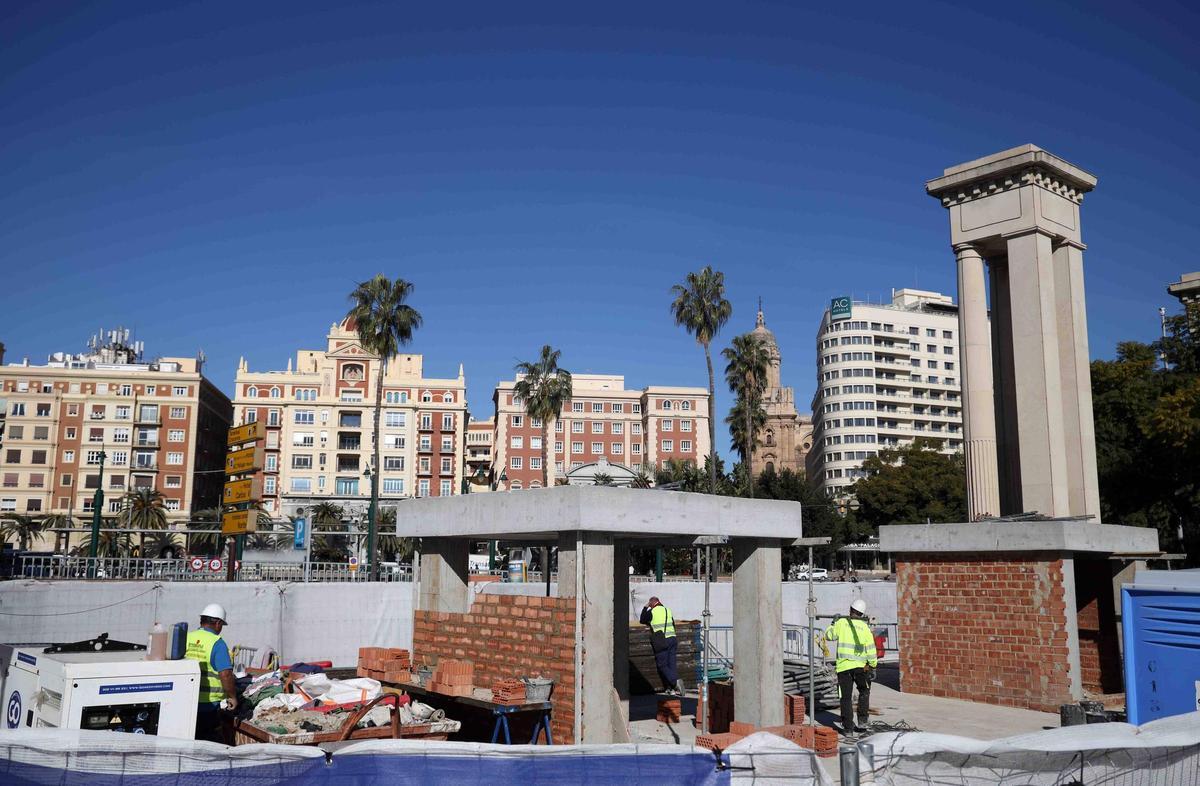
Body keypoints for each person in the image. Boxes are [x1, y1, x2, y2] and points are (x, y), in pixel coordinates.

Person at [185, 602, 238, 743]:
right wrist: (232, 696)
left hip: (186, 699)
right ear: (218, 623)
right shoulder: (217, 643)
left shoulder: (187, 638)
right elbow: (225, 674)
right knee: (208, 742)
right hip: (208, 705)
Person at [824, 598, 877, 735]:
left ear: (850, 610)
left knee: (846, 698)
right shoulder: (865, 628)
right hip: (861, 668)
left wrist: (833, 623)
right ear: (862, 613)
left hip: (844, 668)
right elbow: (871, 649)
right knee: (864, 692)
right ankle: (863, 722)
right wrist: (873, 666)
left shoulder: (841, 623)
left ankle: (848, 729)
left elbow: (828, 636)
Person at [639, 596, 683, 695]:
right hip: (673, 639)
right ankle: (671, 689)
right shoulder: (668, 610)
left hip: (662, 640)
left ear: (652, 604)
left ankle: (675, 682)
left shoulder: (652, 611)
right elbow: (673, 624)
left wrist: (646, 607)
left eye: (650, 604)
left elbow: (642, 620)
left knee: (662, 665)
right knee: (671, 665)